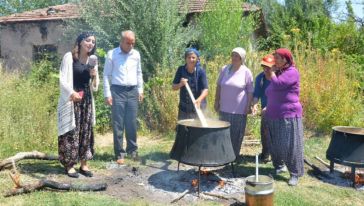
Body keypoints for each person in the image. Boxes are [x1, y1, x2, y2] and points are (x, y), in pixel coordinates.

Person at [57, 32, 99, 178]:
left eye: (93, 42)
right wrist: (71, 93)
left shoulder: (92, 60)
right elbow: (62, 79)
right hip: (72, 99)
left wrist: (93, 75)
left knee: (86, 131)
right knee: (71, 132)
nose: (91, 44)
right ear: (80, 42)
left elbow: (95, 86)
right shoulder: (69, 57)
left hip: (86, 100)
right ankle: (69, 165)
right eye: (88, 41)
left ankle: (84, 164)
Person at [264, 48, 304, 186]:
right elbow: (271, 89)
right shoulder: (280, 72)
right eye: (275, 57)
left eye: (278, 58)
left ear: (286, 60)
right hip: (273, 113)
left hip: (288, 113)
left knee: (289, 145)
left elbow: (279, 84)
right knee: (275, 143)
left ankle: (294, 173)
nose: (275, 60)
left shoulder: (292, 72)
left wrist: (272, 73)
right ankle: (279, 166)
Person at [103, 30, 144, 165]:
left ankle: (132, 151)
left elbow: (139, 73)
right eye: (128, 43)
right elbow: (106, 75)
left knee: (131, 122)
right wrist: (107, 94)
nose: (131, 46)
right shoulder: (112, 54)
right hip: (117, 91)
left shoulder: (136, 55)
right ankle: (119, 152)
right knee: (118, 123)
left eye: (133, 43)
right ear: (121, 41)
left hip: (132, 91)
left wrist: (140, 90)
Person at [214, 47, 254, 160]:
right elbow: (219, 86)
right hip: (224, 108)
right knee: (223, 134)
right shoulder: (225, 69)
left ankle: (233, 157)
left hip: (239, 110)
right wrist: (216, 101)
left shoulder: (246, 72)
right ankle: (222, 156)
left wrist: (248, 106)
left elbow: (250, 91)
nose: (234, 58)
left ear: (242, 58)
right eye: (233, 55)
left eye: (237, 56)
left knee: (236, 135)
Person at [251, 54, 275, 163]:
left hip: (278, 110)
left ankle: (277, 155)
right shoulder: (260, 78)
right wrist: (255, 105)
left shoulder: (278, 78)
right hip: (265, 110)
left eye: (268, 67)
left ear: (274, 67)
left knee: (275, 133)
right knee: (265, 131)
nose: (266, 69)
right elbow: (256, 95)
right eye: (264, 66)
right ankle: (266, 153)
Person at [172, 48, 208, 120]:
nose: (191, 60)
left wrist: (199, 99)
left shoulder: (201, 71)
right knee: (183, 129)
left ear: (197, 59)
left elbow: (205, 90)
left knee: (198, 130)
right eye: (189, 57)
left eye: (193, 57)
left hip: (198, 106)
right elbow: (173, 87)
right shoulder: (181, 69)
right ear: (185, 59)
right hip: (184, 108)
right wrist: (180, 84)